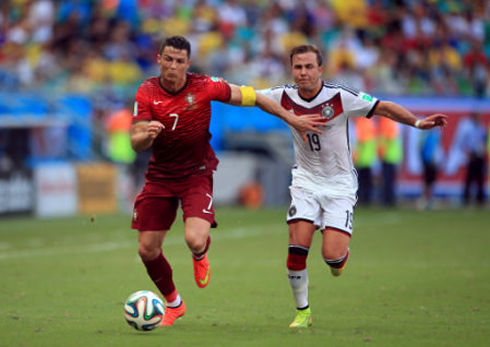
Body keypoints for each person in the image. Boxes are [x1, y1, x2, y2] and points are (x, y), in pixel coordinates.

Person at [130, 36, 326, 327]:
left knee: (194, 239)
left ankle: (201, 253)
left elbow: (256, 97)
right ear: (159, 59)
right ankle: (174, 304)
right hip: (160, 176)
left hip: (196, 172)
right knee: (147, 249)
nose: (173, 66)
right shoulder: (146, 91)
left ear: (188, 63)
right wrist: (147, 135)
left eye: (179, 61)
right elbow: (135, 141)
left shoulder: (205, 86)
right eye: (168, 59)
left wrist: (291, 119)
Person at [259, 44, 447, 328]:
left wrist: (418, 123)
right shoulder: (281, 95)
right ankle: (303, 312)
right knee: (297, 248)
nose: (303, 72)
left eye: (309, 67)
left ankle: (338, 254)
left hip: (339, 185)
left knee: (332, 258)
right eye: (298, 67)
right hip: (305, 181)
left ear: (320, 69)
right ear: (292, 69)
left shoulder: (339, 96)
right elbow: (248, 97)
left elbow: (382, 107)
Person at [461, 112, 487, 206]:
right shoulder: (469, 128)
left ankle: (480, 200)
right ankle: (466, 199)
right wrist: (467, 153)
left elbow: (484, 140)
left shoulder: (482, 127)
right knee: (469, 179)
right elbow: (464, 142)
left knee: (480, 179)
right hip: (472, 155)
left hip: (480, 155)